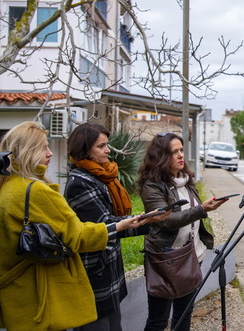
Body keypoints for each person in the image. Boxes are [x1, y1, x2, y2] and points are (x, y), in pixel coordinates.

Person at [0, 121, 143, 331]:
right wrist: (121, 225)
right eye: (43, 147)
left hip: (18, 293)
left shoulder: (9, 186)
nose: (50, 153)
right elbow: (77, 236)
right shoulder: (36, 191)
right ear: (28, 151)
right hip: (40, 294)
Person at [65, 122, 168, 331]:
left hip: (107, 268)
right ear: (85, 150)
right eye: (101, 146)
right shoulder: (79, 182)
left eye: (107, 144)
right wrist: (146, 220)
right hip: (95, 272)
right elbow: (106, 225)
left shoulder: (101, 176)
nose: (107, 150)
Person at [137, 131, 228, 331]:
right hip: (166, 260)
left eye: (181, 150)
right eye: (173, 152)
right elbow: (167, 221)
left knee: (184, 314)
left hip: (193, 255)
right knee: (158, 320)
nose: (180, 155)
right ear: (160, 157)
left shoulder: (186, 179)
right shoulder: (152, 185)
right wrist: (202, 209)